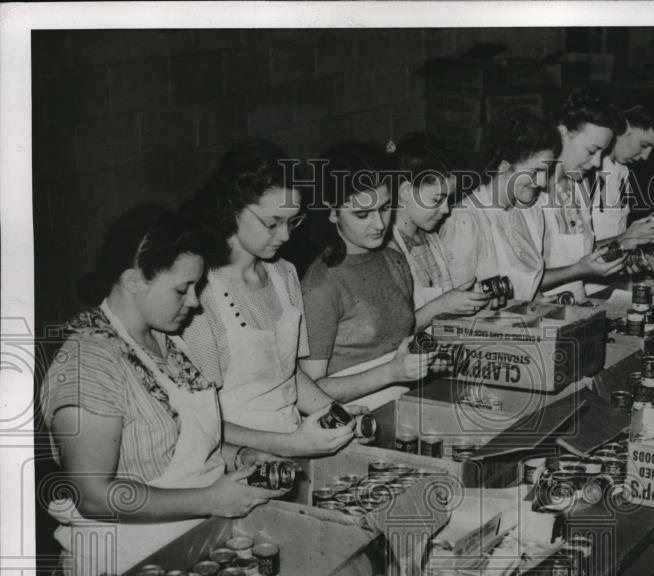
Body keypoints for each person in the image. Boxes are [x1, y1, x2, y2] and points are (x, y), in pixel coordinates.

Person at [41, 206, 285, 576]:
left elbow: (183, 443)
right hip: (122, 572)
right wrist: (212, 498)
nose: (195, 302)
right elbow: (93, 496)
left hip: (189, 548)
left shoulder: (163, 341)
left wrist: (241, 457)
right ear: (133, 280)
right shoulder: (90, 363)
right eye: (181, 289)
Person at [182, 140, 358, 458]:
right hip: (234, 457)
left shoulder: (284, 274)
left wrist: (337, 415)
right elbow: (201, 420)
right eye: (272, 223)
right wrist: (289, 444)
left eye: (293, 221)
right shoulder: (198, 295)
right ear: (231, 208)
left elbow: (288, 374)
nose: (286, 235)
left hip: (294, 440)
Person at [285, 142, 434, 408]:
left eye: (385, 208)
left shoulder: (394, 260)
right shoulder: (321, 286)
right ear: (332, 212)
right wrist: (390, 373)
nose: (379, 224)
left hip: (407, 404)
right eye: (362, 214)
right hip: (356, 419)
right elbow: (309, 391)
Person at [440, 112, 624, 301]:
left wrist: (543, 303)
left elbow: (530, 286)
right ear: (504, 167)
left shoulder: (530, 211)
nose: (543, 183)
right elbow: (455, 305)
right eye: (536, 171)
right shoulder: (465, 219)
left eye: (547, 171)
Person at [384, 134, 490, 325]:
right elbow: (390, 334)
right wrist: (441, 306)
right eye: (437, 200)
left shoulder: (429, 238)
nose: (446, 210)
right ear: (405, 192)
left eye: (448, 200)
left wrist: (477, 299)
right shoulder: (386, 250)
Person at [536, 89, 630, 300]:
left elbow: (583, 256)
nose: (596, 162)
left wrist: (623, 246)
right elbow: (519, 281)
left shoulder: (578, 186)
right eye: (591, 151)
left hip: (577, 309)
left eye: (602, 153)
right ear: (562, 133)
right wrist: (579, 270)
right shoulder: (530, 194)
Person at [591, 95, 654, 247]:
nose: (646, 156)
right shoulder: (587, 171)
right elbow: (573, 257)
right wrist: (626, 238)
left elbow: (615, 233)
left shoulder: (622, 170)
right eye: (644, 144)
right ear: (624, 126)